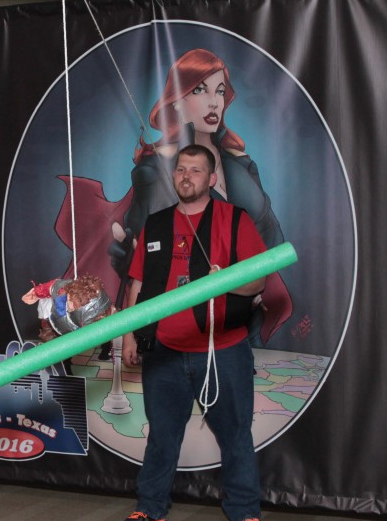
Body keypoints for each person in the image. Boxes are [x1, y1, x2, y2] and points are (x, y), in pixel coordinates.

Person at [117, 144, 269, 521]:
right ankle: (149, 507)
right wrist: (129, 335)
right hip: (164, 351)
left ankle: (245, 512)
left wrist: (228, 280)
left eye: (196, 170)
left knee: (235, 436)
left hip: (223, 350)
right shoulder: (156, 224)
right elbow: (136, 284)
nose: (187, 176)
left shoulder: (235, 220)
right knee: (162, 436)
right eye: (181, 169)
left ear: (212, 178)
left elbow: (259, 281)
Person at [115, 48, 291, 344]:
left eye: (219, 91)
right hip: (173, 329)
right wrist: (131, 333)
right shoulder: (154, 173)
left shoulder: (242, 166)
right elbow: (141, 272)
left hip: (239, 325)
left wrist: (246, 284)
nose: (213, 102)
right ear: (177, 101)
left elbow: (271, 242)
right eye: (200, 90)